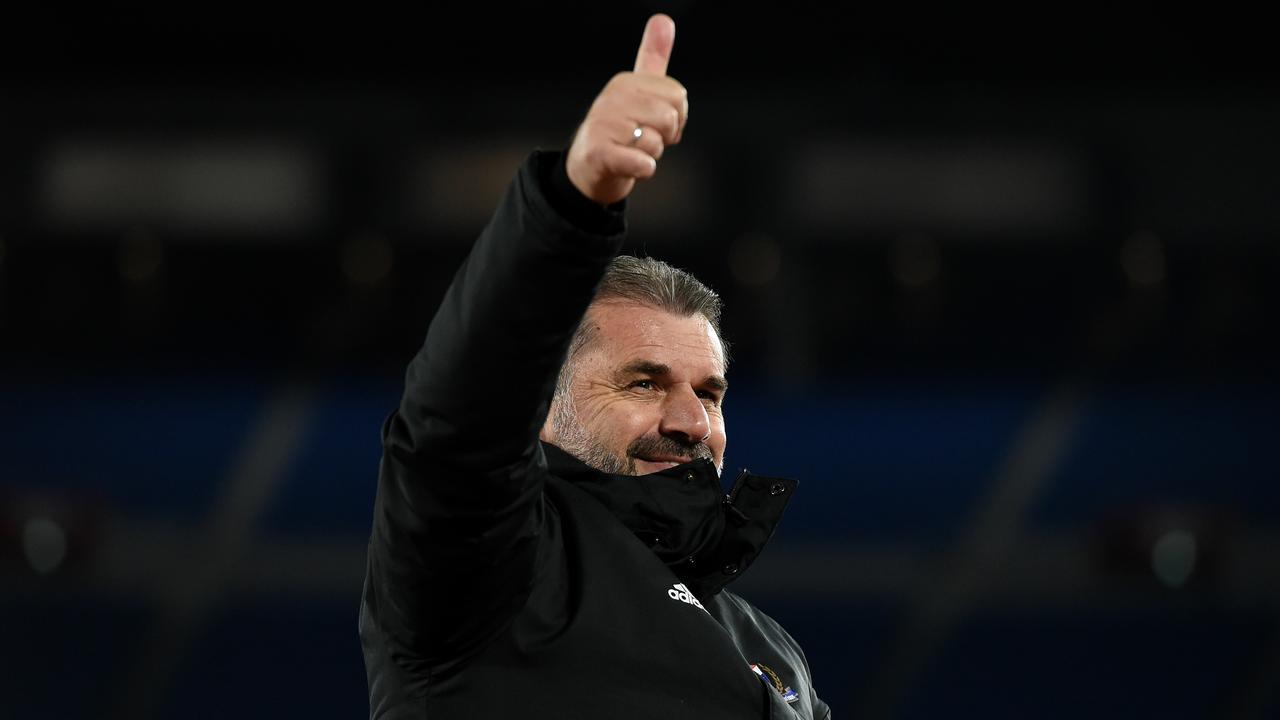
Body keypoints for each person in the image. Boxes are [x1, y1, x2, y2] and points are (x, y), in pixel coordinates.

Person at [359, 13, 830, 720]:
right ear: (541, 406)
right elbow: (459, 413)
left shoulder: (768, 648)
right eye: (644, 381)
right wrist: (573, 204)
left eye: (710, 392)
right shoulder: (489, 570)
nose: (691, 422)